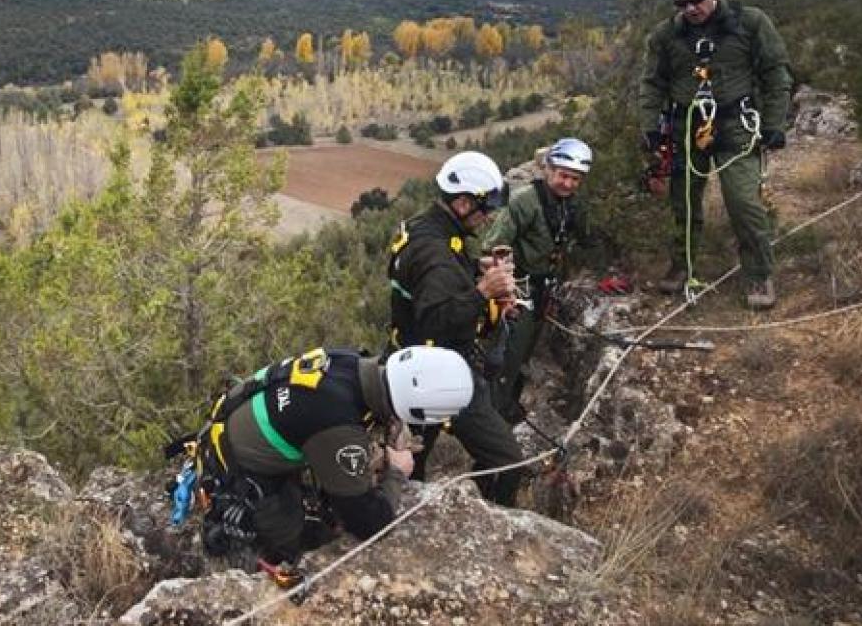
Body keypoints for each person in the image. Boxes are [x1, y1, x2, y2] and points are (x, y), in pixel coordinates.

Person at [192, 345, 473, 576]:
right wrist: (397, 473)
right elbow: (367, 522)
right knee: (300, 541)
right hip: (244, 476)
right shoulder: (337, 426)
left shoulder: (349, 362)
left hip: (232, 430)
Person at [639, 0, 792, 309]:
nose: (691, 9)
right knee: (683, 202)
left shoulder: (750, 23)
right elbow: (652, 84)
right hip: (685, 128)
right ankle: (682, 264)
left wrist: (774, 123)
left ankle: (758, 272)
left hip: (736, 126)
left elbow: (776, 73)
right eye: (682, 3)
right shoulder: (665, 36)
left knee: (743, 201)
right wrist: (649, 127)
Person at [386, 151, 526, 504]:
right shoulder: (437, 255)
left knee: (411, 467)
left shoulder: (425, 227)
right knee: (508, 462)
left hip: (409, 367)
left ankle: (406, 514)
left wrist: (471, 268)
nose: (488, 216)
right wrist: (483, 292)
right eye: (485, 208)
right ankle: (493, 518)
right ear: (463, 203)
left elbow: (426, 278)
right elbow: (435, 320)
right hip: (438, 374)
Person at [480, 137, 605, 422]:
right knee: (510, 351)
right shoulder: (525, 201)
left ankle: (508, 402)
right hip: (520, 287)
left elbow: (588, 240)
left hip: (546, 286)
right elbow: (494, 247)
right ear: (548, 169)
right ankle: (494, 413)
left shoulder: (572, 206)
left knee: (525, 350)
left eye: (575, 179)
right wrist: (506, 291)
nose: (568, 184)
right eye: (563, 175)